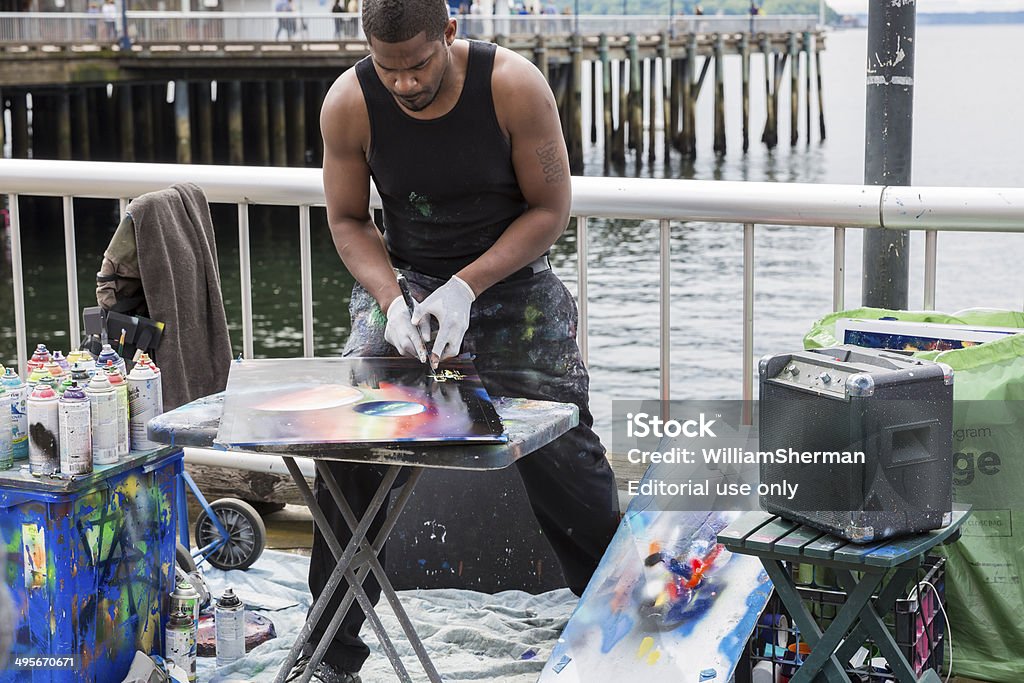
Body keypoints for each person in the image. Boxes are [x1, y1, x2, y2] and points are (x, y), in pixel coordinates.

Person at [295, 1, 621, 681]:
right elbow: (349, 220)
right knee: (348, 455)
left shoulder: (513, 85)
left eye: (417, 65)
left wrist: (468, 287)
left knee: (572, 471)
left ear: (449, 32)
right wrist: (391, 301)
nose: (405, 84)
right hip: (408, 288)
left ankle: (623, 634)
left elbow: (549, 210)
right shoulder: (349, 102)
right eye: (390, 70)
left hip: (514, 290)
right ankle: (331, 653)